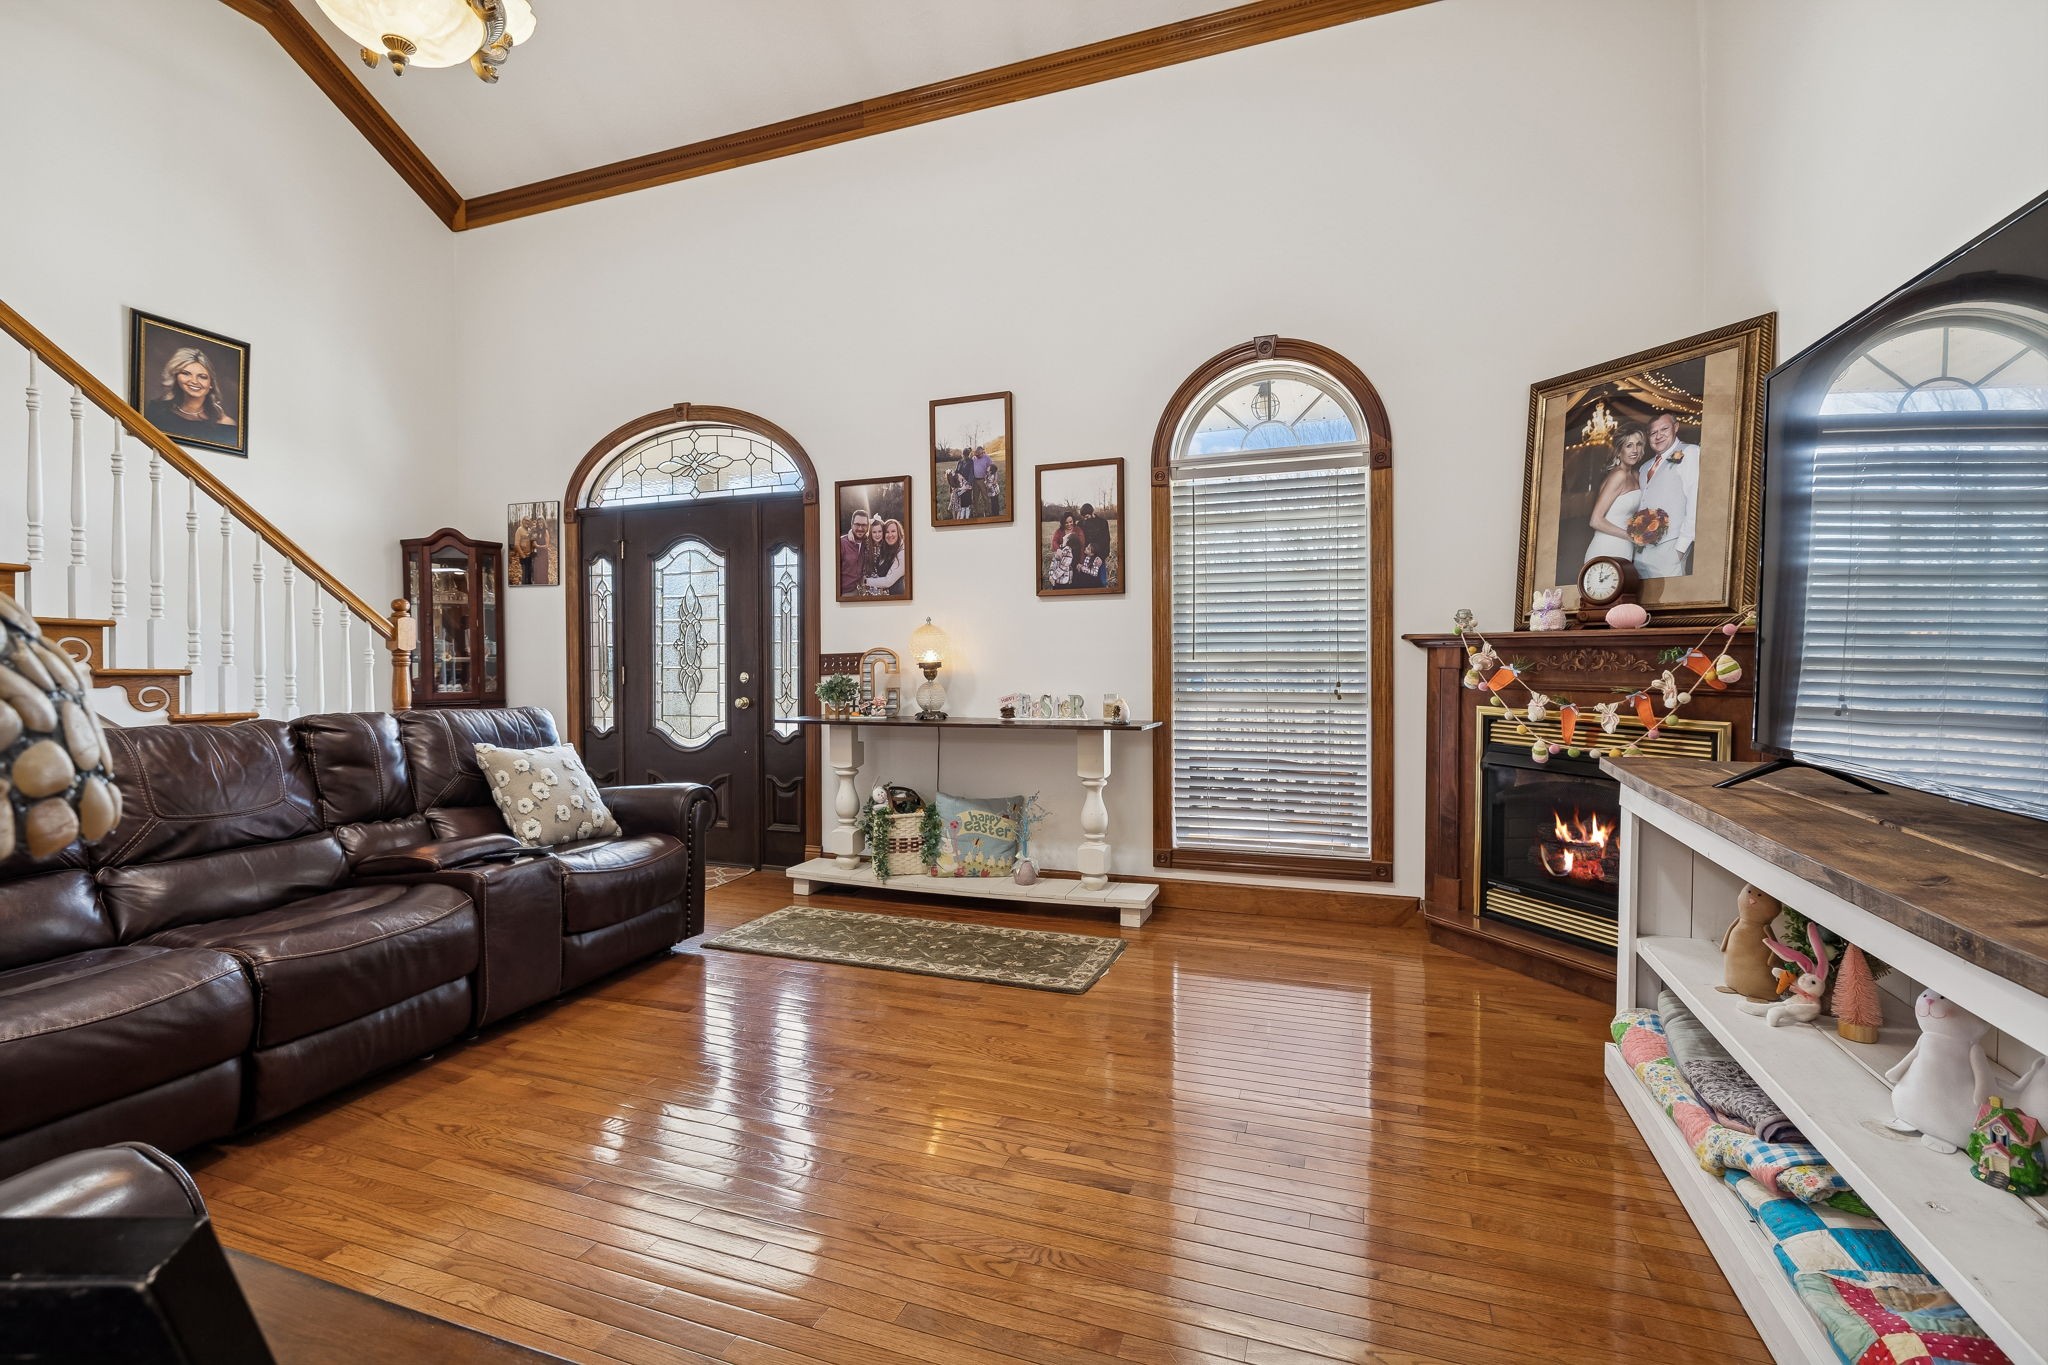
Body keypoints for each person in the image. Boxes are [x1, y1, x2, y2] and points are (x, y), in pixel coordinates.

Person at [1636, 411, 1699, 578]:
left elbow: (1695, 501)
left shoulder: (1690, 452)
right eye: (1653, 433)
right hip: (1641, 549)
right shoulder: (1644, 467)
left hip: (1671, 546)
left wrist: (1680, 549)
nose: (1658, 436)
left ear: (1675, 427)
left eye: (1664, 429)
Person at [1582, 424, 1648, 565]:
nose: (1635, 450)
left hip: (1625, 547)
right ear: (1619, 451)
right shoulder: (1619, 475)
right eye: (1629, 445)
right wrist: (1631, 537)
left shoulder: (1636, 475)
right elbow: (1595, 520)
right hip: (1607, 546)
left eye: (1638, 444)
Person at [144, 347, 238, 443]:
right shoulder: (156, 410)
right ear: (175, 377)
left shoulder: (225, 424)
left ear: (211, 384)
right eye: (186, 374)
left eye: (202, 377)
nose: (194, 381)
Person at [864, 518, 906, 595]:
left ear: (899, 532)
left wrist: (865, 581)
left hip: (896, 596)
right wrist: (850, 533)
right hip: (881, 593)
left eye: (893, 531)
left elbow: (888, 581)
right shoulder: (886, 548)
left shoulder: (902, 553)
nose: (890, 535)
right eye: (887, 532)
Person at [838, 508, 871, 596]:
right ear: (852, 524)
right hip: (842, 593)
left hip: (858, 591)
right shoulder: (841, 543)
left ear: (868, 526)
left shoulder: (867, 542)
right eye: (857, 524)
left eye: (864, 525)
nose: (860, 528)